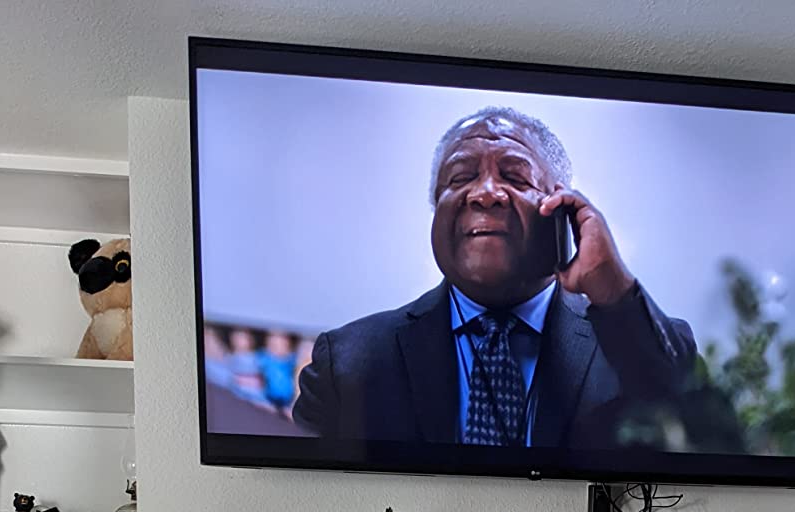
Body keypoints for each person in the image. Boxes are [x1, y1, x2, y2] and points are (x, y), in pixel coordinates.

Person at [292, 107, 705, 451]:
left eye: (515, 176)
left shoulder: (630, 343)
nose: (486, 192)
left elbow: (699, 427)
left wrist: (614, 291)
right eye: (460, 178)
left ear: (562, 208)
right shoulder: (346, 363)